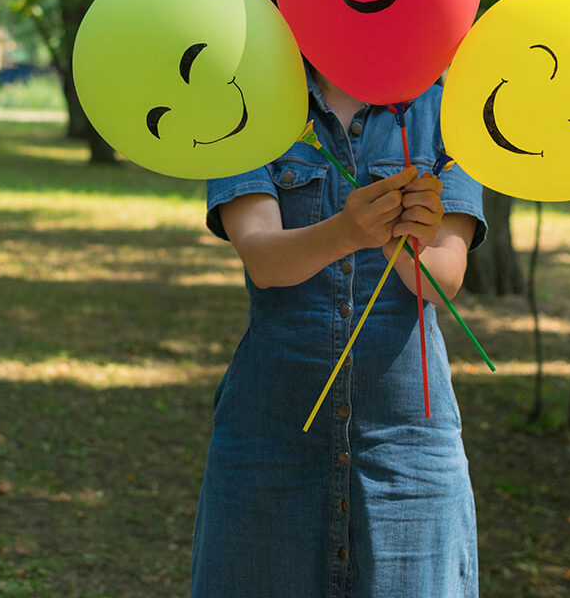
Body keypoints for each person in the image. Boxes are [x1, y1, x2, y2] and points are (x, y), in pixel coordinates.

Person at [189, 41, 487, 595]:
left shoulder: (449, 109)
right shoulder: (244, 101)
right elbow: (265, 258)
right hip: (268, 440)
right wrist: (349, 232)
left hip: (409, 446)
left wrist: (415, 245)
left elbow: (443, 279)